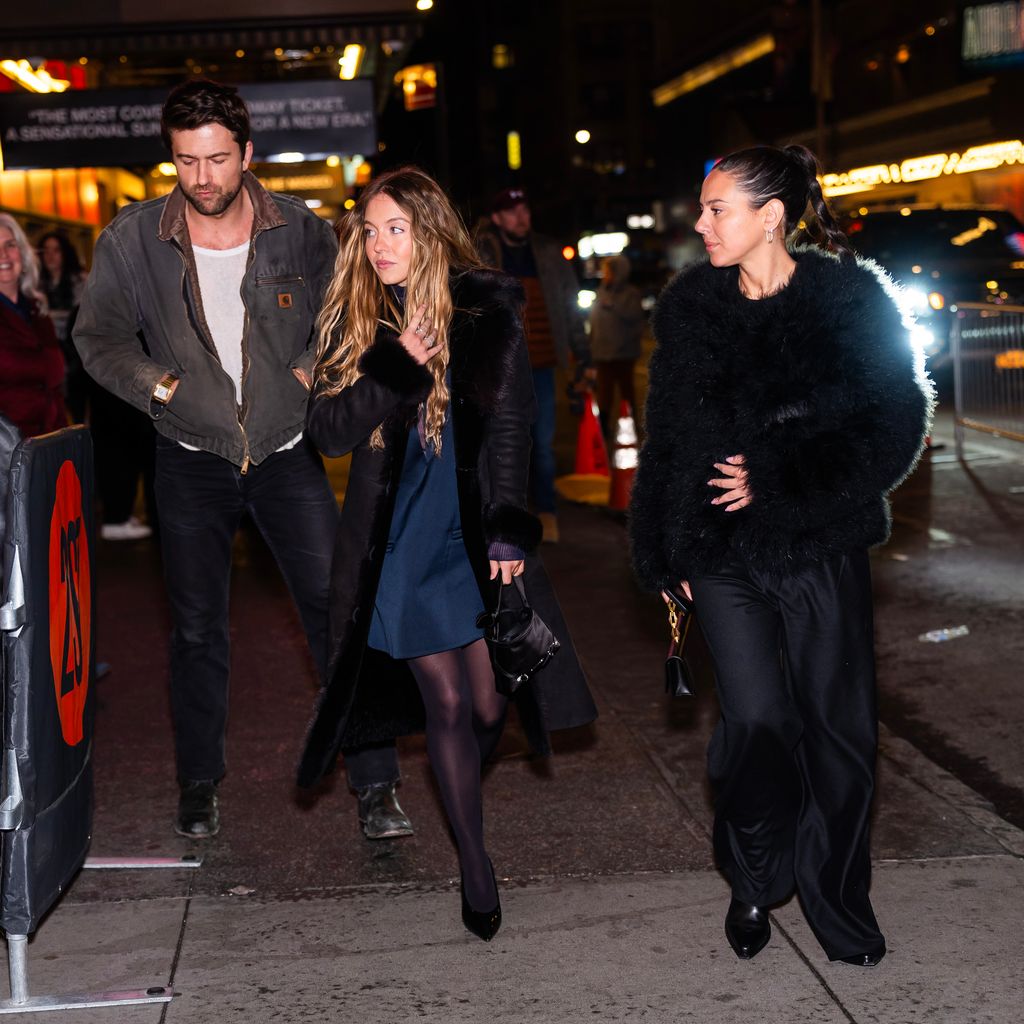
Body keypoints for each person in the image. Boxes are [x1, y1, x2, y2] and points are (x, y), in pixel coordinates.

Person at [73, 79, 412, 842]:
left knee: (337, 612)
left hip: (287, 457)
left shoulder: (301, 230)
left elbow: (346, 316)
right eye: (187, 161)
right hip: (190, 460)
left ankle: (376, 783)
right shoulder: (132, 240)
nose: (202, 178)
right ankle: (199, 782)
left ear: (247, 153)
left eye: (217, 159)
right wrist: (161, 387)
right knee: (196, 631)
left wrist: (301, 377)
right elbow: (98, 341)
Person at [630, 145, 933, 967]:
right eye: (703, 207)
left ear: (771, 216)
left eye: (717, 208)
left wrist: (780, 475)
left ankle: (838, 903)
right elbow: (666, 443)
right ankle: (756, 874)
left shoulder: (846, 302)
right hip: (721, 555)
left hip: (817, 546)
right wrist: (664, 546)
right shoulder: (692, 311)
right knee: (756, 721)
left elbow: (895, 425)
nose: (701, 224)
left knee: (837, 732)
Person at [297, 166, 596, 941]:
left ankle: (460, 783)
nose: (379, 244)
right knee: (451, 704)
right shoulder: (354, 314)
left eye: (396, 228)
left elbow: (509, 427)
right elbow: (326, 432)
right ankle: (476, 861)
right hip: (395, 538)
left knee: (493, 702)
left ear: (430, 231)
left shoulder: (487, 304)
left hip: (465, 530)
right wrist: (397, 365)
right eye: (369, 229)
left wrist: (507, 526)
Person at [475, 188, 591, 543]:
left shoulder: (548, 251)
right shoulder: (482, 250)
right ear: (497, 219)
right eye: (511, 212)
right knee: (498, 442)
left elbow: (570, 305)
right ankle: (503, 512)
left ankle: (547, 511)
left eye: (524, 209)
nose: (521, 217)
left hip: (541, 365)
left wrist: (583, 357)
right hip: (499, 366)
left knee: (542, 442)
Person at [0, 214, 66, 439]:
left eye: (10, 245)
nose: (4, 255)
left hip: (49, 445)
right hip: (6, 456)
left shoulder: (38, 311)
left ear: (23, 253)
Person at [589, 254, 643, 437]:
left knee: (626, 391)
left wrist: (614, 306)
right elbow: (594, 321)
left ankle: (630, 427)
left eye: (608, 271)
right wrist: (591, 343)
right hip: (602, 353)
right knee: (604, 392)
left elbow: (635, 317)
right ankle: (603, 427)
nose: (605, 274)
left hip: (623, 353)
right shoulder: (601, 291)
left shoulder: (631, 293)